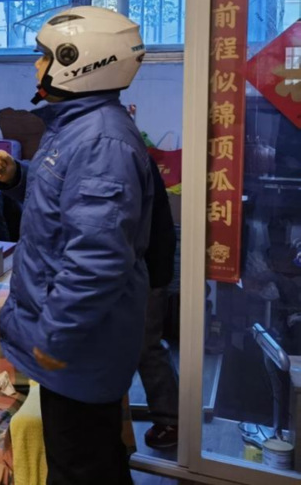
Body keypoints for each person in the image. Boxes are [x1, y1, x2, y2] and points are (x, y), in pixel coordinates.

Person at [0, 6, 154, 485]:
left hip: (78, 350)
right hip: (77, 349)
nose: (36, 65)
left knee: (79, 469)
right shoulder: (78, 127)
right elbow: (68, 209)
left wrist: (54, 337)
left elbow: (97, 258)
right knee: (95, 464)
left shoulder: (100, 141)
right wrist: (19, 179)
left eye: (44, 56)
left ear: (79, 62)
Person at [138, 159, 180, 449]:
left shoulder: (130, 160)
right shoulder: (138, 158)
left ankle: (171, 420)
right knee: (146, 345)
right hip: (151, 266)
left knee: (147, 346)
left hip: (150, 270)